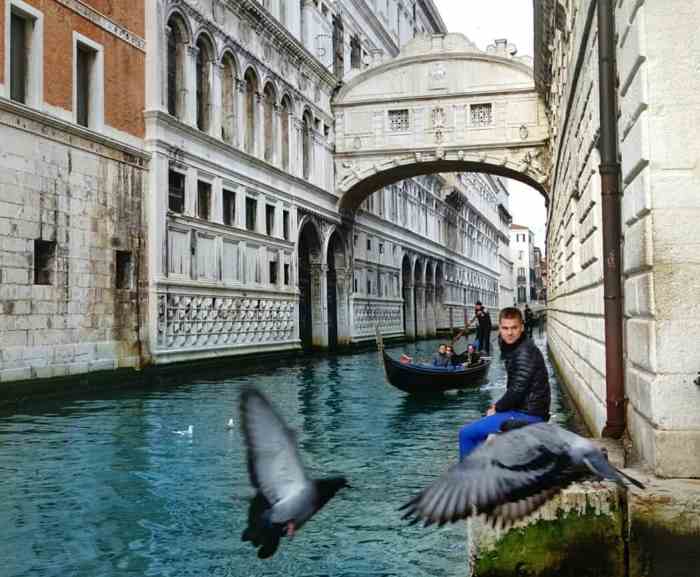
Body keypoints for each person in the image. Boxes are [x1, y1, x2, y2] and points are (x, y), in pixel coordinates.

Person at [457, 307, 550, 460]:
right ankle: (481, 469)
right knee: (482, 429)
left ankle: (466, 478)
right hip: (526, 410)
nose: (509, 332)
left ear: (522, 328)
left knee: (466, 433)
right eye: (505, 328)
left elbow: (517, 389)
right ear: (499, 328)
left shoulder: (525, 352)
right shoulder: (516, 347)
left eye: (514, 328)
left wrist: (497, 407)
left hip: (530, 415)